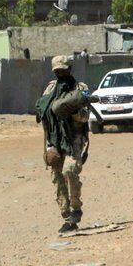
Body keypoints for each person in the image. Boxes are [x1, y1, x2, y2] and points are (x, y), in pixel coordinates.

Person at [35, 55, 100, 233]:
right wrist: (49, 145)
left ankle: (76, 209)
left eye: (63, 70)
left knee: (69, 171)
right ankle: (67, 215)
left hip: (74, 138)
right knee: (57, 177)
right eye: (58, 71)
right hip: (55, 140)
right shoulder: (50, 89)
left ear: (70, 69)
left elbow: (86, 116)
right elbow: (45, 114)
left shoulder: (80, 89)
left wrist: (72, 113)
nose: (61, 73)